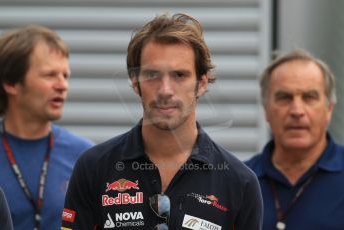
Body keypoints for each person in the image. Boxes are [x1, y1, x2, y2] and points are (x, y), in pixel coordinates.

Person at [61, 13, 263, 230]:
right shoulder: (93, 168)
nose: (165, 90)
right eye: (152, 75)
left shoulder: (240, 183)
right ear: (135, 83)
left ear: (202, 83)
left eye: (179, 75)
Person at [0, 25, 94, 230]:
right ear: (11, 82)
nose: (62, 85)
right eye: (50, 75)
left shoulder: (86, 156)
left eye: (65, 76)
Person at [245, 49, 344, 230]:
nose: (297, 110)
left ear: (329, 109)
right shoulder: (240, 180)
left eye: (309, 97)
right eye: (284, 98)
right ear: (266, 109)